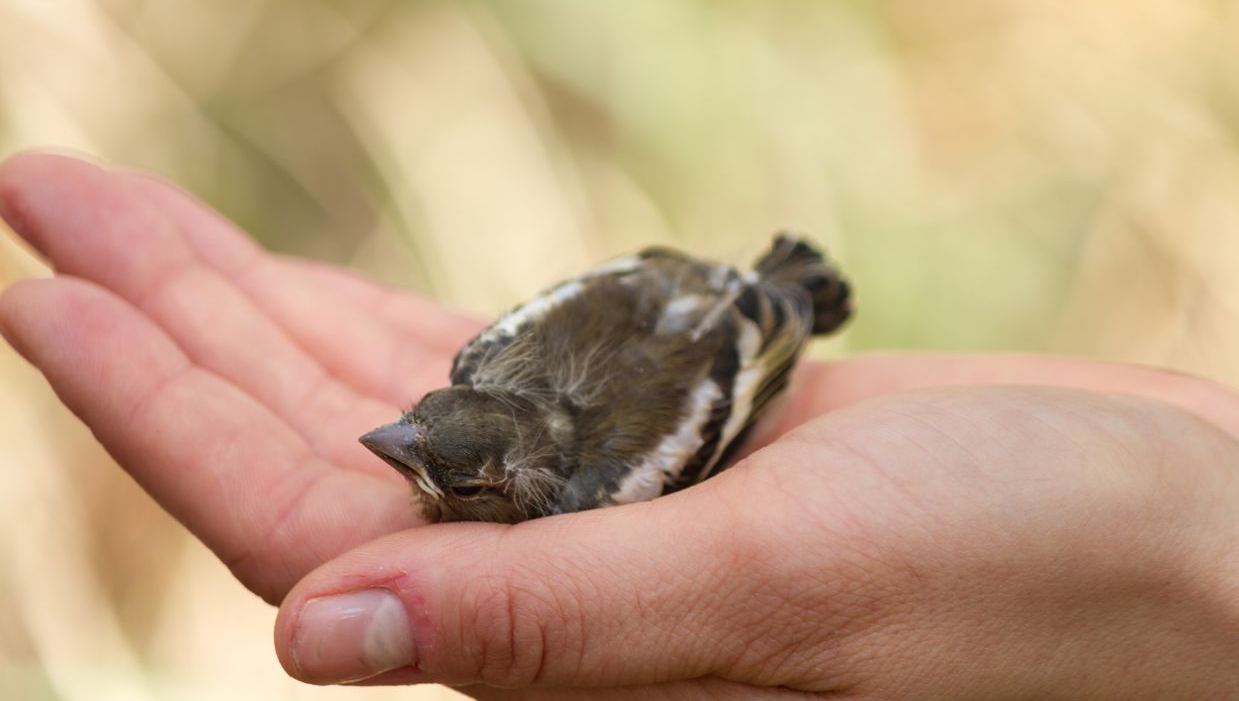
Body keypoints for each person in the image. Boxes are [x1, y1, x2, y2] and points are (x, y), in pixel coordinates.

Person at [2, 152, 1237, 699]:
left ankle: (795, 284)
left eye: (443, 470)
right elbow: (588, 300)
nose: (394, 450)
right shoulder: (486, 364)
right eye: (417, 437)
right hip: (667, 297)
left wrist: (779, 308)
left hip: (724, 322)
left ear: (518, 488)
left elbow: (718, 377)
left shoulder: (611, 478)